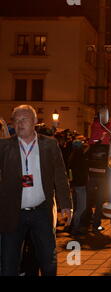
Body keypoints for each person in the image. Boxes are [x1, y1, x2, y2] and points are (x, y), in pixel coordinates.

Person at [0, 105, 72, 276]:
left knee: (48, 260)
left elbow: (60, 176)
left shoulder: (49, 145)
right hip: (13, 213)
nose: (19, 124)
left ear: (34, 122)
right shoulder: (4, 147)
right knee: (8, 263)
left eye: (23, 119)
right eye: (16, 120)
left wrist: (66, 205)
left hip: (41, 211)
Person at [85, 140, 109, 232]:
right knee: (99, 202)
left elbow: (85, 160)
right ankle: (96, 225)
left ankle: (86, 223)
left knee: (88, 201)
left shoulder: (91, 148)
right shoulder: (108, 148)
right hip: (102, 179)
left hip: (91, 177)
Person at [68, 138, 89, 235]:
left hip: (75, 185)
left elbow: (70, 172)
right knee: (82, 207)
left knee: (76, 207)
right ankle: (75, 227)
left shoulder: (72, 157)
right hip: (80, 185)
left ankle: (72, 225)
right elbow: (83, 172)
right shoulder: (80, 157)